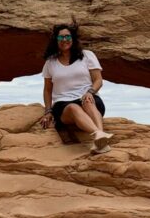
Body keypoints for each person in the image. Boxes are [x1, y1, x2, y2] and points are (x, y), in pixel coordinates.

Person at [38, 22, 114, 154]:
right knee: (74, 107)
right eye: (60, 37)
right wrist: (48, 111)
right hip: (63, 104)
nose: (64, 40)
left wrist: (90, 92)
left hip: (89, 98)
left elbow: (98, 80)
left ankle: (100, 138)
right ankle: (100, 135)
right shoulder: (50, 62)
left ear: (73, 38)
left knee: (88, 101)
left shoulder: (87, 55)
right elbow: (48, 89)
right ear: (56, 40)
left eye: (67, 36)